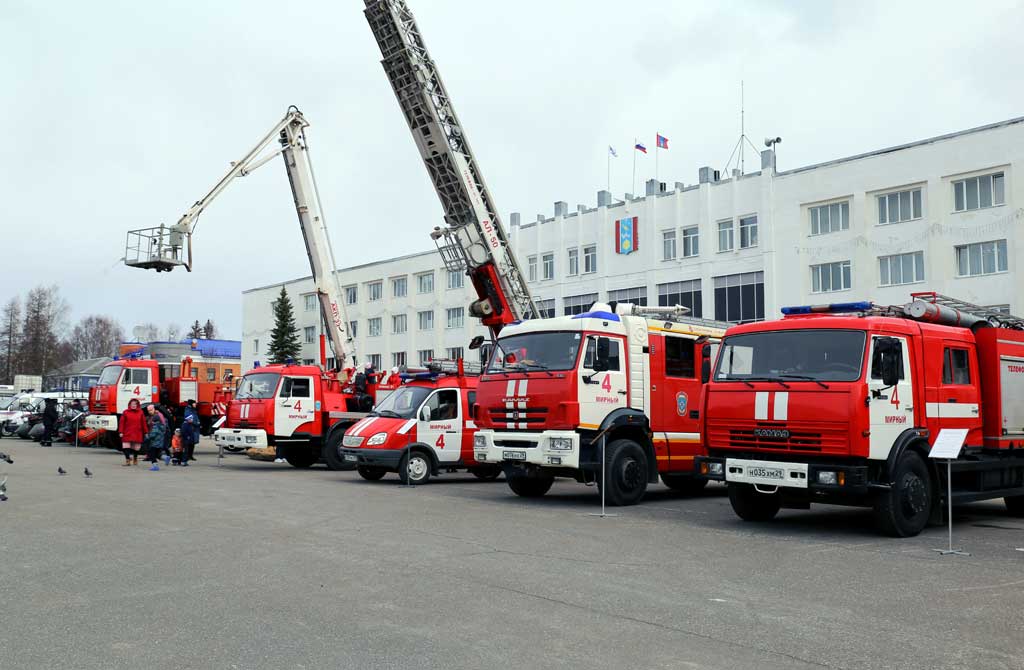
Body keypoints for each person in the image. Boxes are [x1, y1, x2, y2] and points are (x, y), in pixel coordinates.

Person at [118, 398, 147, 466]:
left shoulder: (141, 412)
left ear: (137, 405)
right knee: (125, 446)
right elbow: (122, 423)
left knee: (136, 448)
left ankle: (135, 458)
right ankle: (127, 460)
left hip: (137, 432)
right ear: (129, 405)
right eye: (132, 404)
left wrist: (146, 432)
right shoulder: (125, 412)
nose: (133, 405)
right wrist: (121, 432)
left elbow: (143, 423)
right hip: (127, 432)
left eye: (135, 404)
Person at [144, 404, 168, 471]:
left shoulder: (156, 426)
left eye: (151, 410)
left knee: (152, 454)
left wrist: (147, 437)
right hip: (160, 441)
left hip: (154, 442)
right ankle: (165, 458)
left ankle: (155, 466)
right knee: (157, 454)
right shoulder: (161, 423)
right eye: (148, 410)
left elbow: (153, 434)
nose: (149, 412)